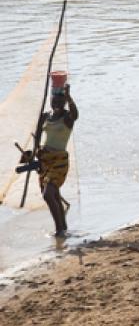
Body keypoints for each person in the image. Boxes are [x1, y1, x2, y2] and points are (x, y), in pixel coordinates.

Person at [39, 84, 78, 237]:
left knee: (48, 194)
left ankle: (59, 231)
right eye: (54, 101)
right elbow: (36, 139)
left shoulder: (68, 118)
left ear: (65, 102)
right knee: (53, 194)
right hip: (45, 159)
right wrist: (34, 154)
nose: (56, 105)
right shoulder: (45, 116)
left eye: (60, 102)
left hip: (59, 160)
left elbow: (76, 114)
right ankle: (64, 227)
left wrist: (68, 96)